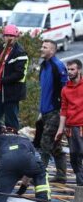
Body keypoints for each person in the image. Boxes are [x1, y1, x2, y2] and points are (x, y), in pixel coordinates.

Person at [36, 40, 68, 183]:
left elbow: (65, 89)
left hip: (56, 111)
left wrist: (63, 112)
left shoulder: (58, 66)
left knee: (45, 143)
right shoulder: (43, 66)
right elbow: (44, 91)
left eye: (45, 47)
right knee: (55, 145)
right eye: (42, 46)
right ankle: (61, 175)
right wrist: (40, 111)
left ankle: (39, 175)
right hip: (45, 112)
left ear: (53, 51)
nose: (41, 49)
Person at [58, 59, 83, 185]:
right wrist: (60, 129)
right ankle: (80, 182)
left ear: (79, 70)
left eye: (72, 69)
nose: (70, 72)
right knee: (74, 155)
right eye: (68, 69)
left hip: (81, 125)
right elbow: (63, 110)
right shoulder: (65, 90)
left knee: (80, 152)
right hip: (71, 127)